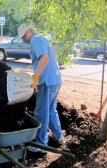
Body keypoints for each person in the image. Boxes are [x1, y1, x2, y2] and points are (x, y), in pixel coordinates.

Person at [17, 24, 63, 154]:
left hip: (47, 81)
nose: (23, 39)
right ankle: (58, 136)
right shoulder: (43, 38)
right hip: (55, 79)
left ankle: (40, 145)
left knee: (41, 112)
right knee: (50, 110)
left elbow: (45, 58)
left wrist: (36, 77)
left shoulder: (35, 39)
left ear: (30, 31)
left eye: (24, 36)